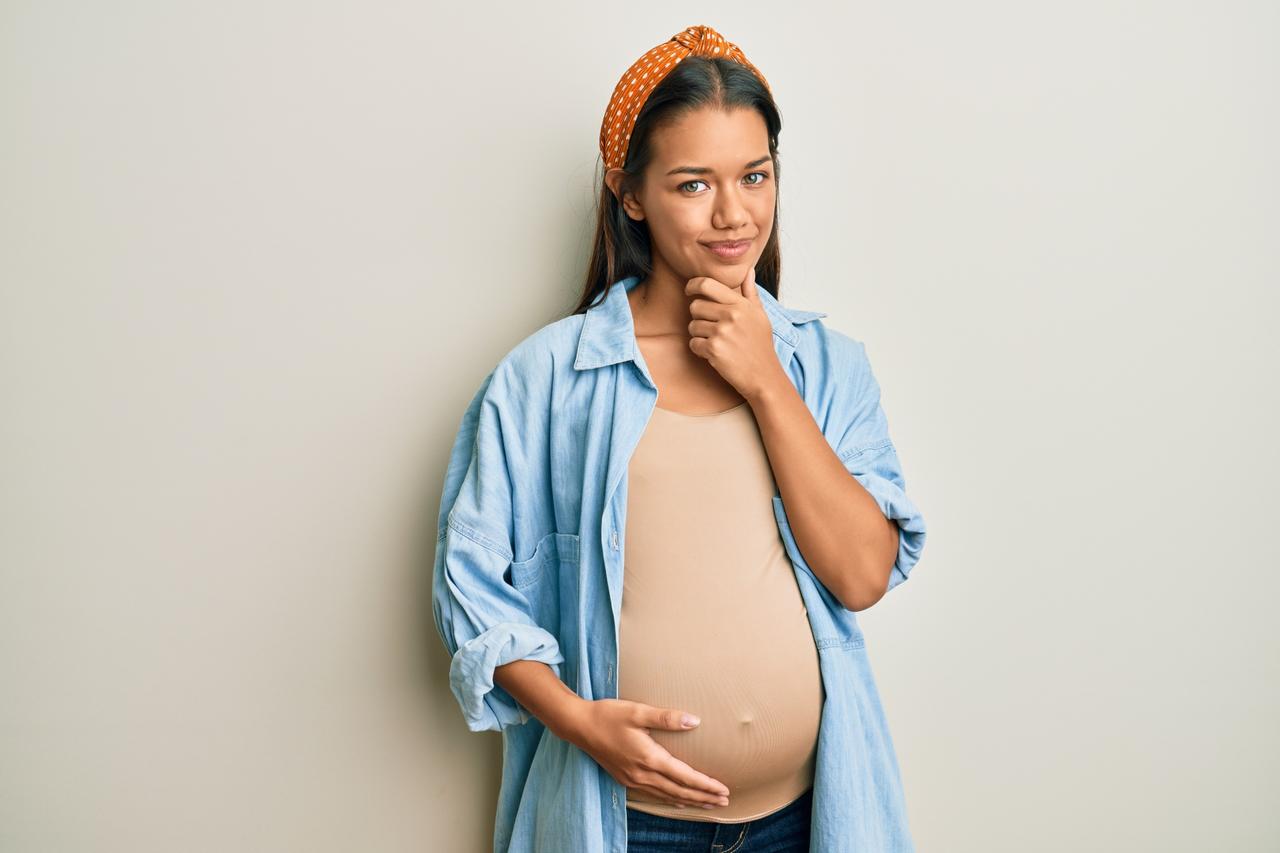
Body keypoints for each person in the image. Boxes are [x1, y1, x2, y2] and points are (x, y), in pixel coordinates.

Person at [432, 24, 928, 853]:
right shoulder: (548, 378)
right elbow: (471, 589)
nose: (734, 214)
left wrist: (766, 380)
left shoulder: (827, 368)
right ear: (631, 194)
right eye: (693, 183)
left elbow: (862, 572)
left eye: (754, 176)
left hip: (808, 822)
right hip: (627, 825)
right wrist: (581, 723)